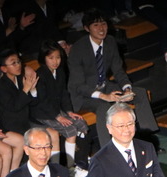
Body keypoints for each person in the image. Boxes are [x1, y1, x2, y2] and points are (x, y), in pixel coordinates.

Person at [67, 8, 159, 145]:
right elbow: (79, 86)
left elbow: (118, 70)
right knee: (103, 107)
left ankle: (148, 139)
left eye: (103, 24)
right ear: (87, 28)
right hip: (83, 95)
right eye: (96, 25)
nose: (101, 29)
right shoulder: (78, 49)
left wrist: (127, 88)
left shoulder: (110, 41)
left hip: (104, 86)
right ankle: (108, 150)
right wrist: (104, 96)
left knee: (139, 93)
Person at [31, 39, 89, 177]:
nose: (55, 61)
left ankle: (80, 159)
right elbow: (42, 101)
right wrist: (58, 116)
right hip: (43, 113)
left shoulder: (60, 72)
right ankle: (69, 167)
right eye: (51, 58)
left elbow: (64, 93)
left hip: (58, 110)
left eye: (57, 57)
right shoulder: (40, 74)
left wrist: (69, 112)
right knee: (70, 129)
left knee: (81, 123)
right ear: (43, 58)